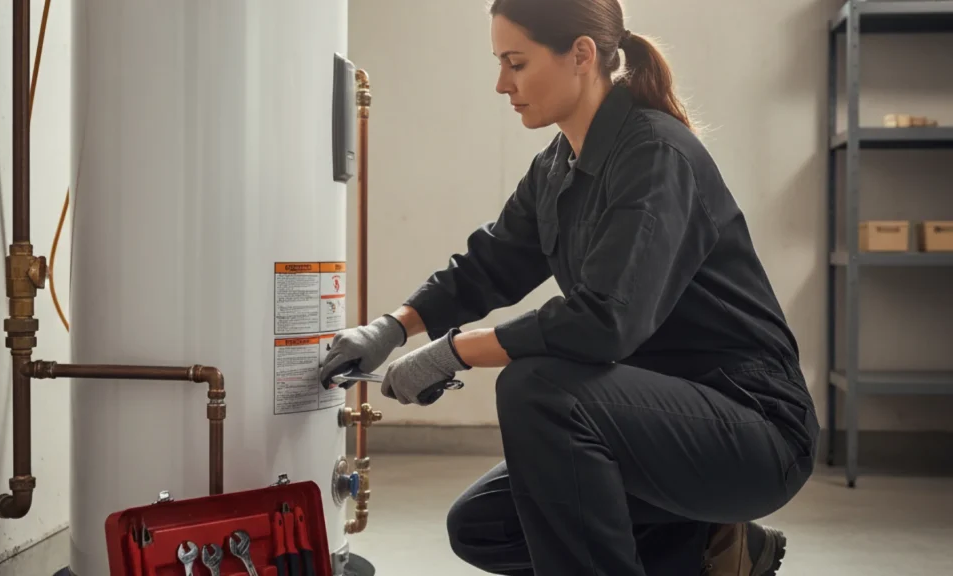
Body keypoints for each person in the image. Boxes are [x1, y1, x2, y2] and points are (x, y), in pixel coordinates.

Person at [320, 0, 819, 574]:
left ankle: (701, 537)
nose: (501, 84)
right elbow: (487, 266)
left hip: (751, 433)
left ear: (581, 54)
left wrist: (454, 352)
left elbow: (603, 322)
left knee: (539, 387)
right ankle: (711, 549)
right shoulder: (557, 165)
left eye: (516, 62)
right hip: (655, 426)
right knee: (484, 527)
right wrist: (392, 327)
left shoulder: (656, 154)